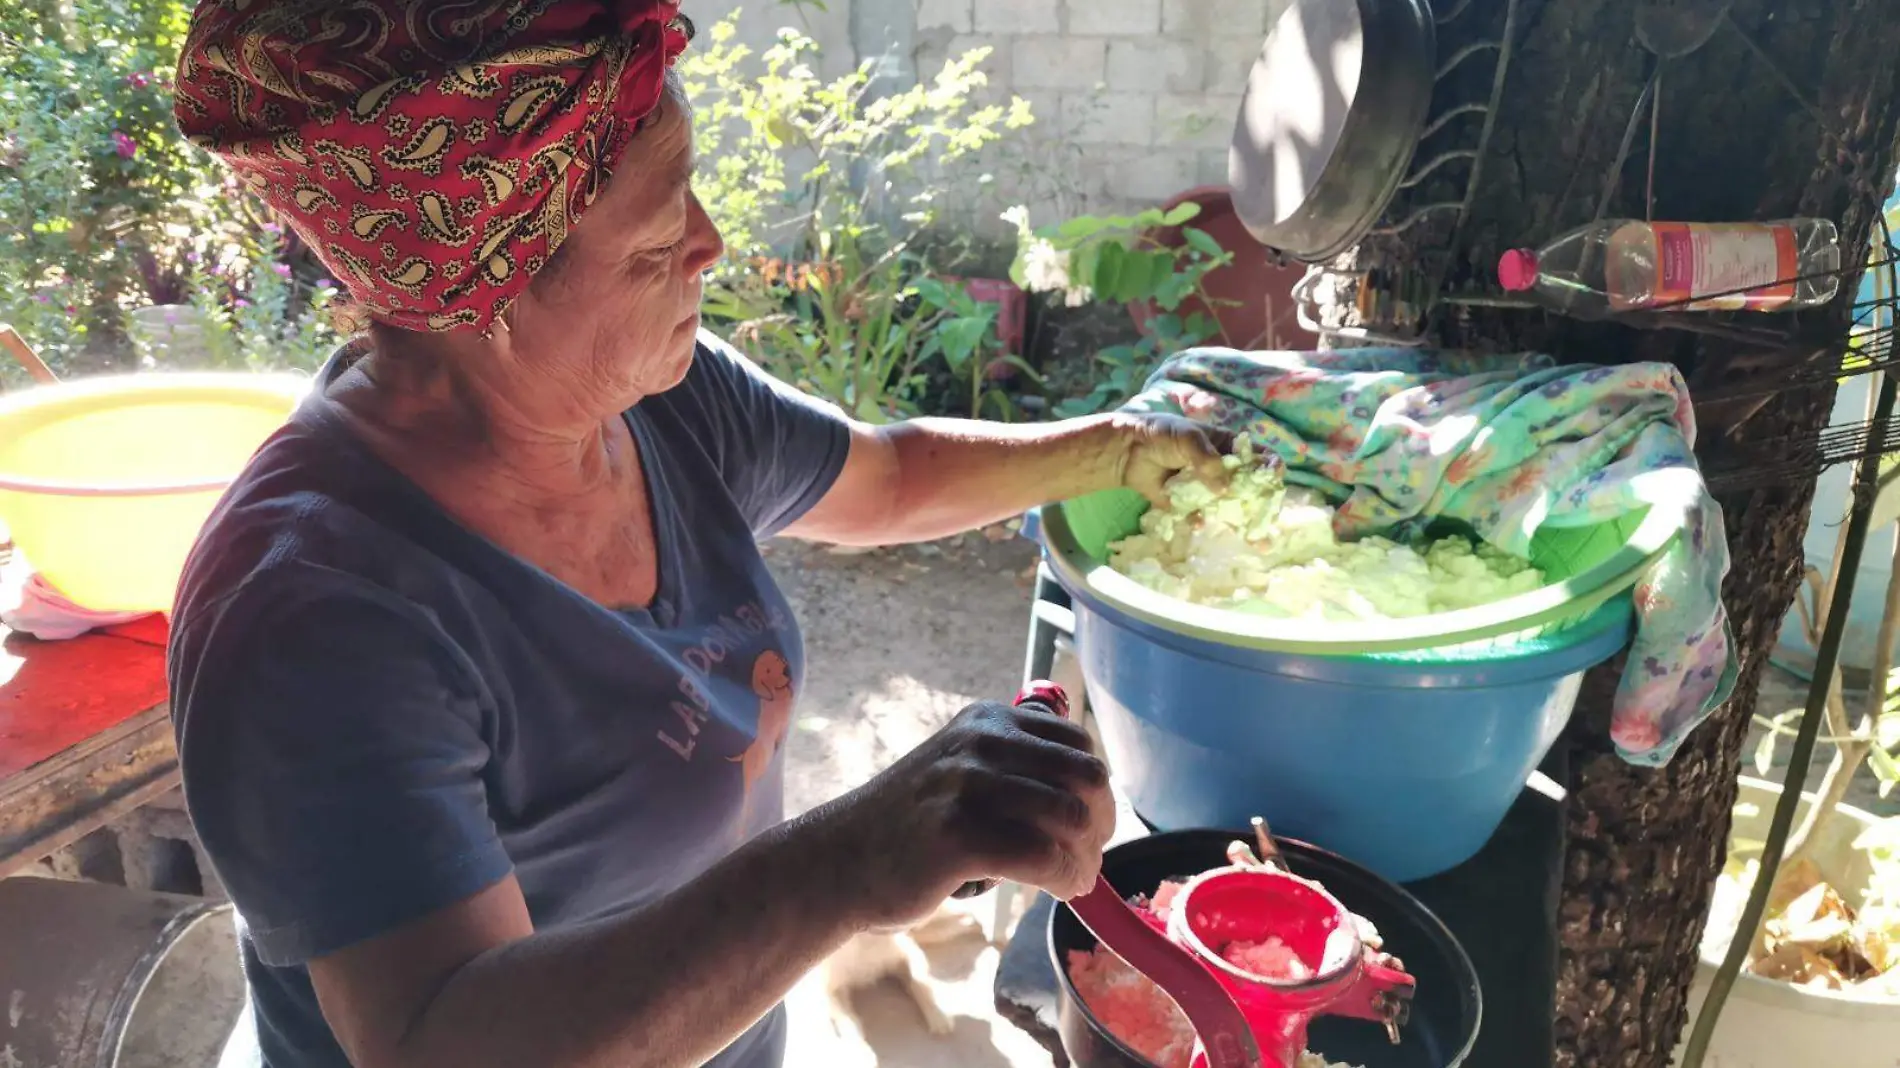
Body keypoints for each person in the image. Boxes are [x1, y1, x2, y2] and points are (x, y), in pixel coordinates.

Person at [167, 4, 1227, 1068]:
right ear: (483, 289)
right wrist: (847, 860)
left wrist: (1121, 448)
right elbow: (442, 1041)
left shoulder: (654, 402)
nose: (710, 246)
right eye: (660, 235)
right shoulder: (315, 620)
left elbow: (891, 479)